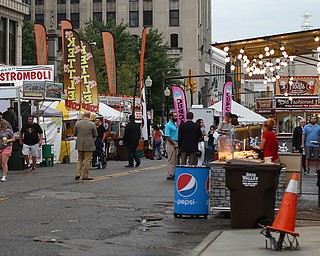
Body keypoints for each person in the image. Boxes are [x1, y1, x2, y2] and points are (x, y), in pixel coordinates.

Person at [73, 111, 98, 180]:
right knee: (87, 160)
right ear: (89, 116)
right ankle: (85, 175)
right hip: (89, 144)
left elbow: (74, 133)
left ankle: (78, 173)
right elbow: (95, 134)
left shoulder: (77, 123)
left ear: (83, 116)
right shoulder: (92, 124)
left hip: (80, 143)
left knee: (79, 159)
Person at [165, 111, 179, 180]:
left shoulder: (174, 125)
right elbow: (167, 136)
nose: (176, 117)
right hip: (171, 143)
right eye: (175, 116)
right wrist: (174, 143)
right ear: (171, 117)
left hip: (176, 142)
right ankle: (170, 174)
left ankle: (174, 173)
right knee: (171, 159)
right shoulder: (168, 125)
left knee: (176, 159)